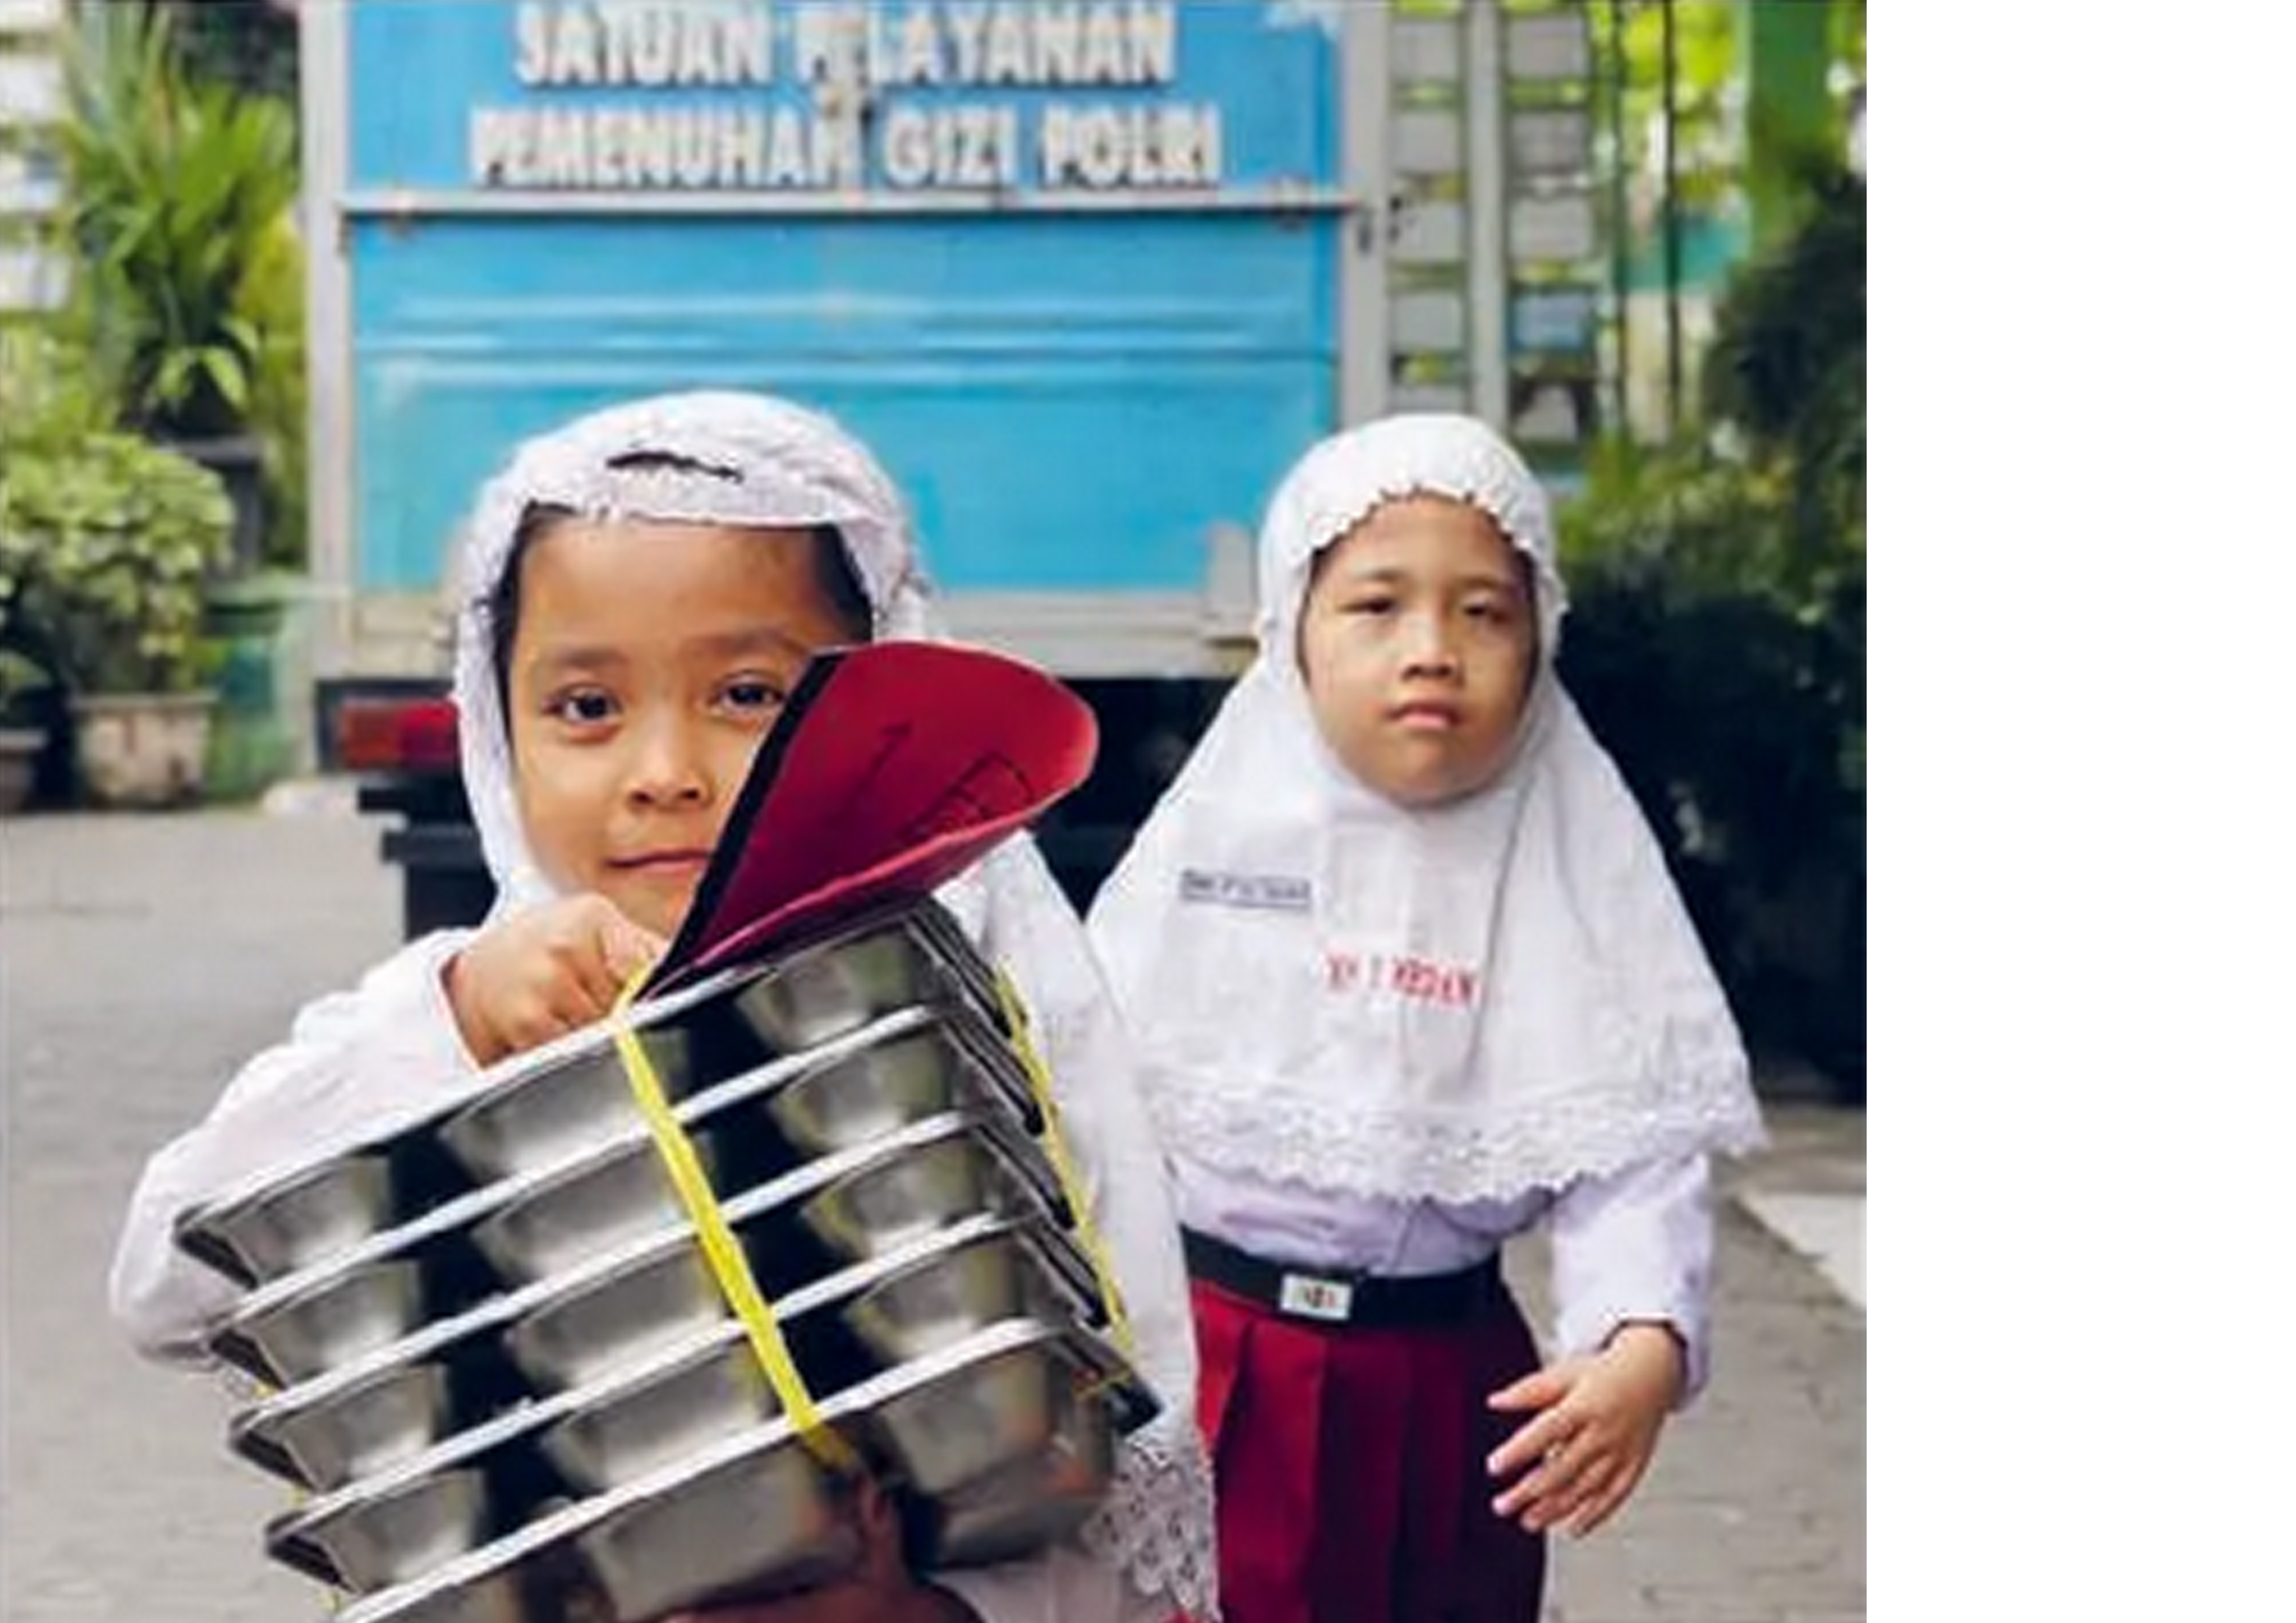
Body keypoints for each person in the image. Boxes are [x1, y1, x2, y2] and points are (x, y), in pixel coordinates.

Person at [108, 391, 1218, 1623]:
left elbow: (1115, 1508)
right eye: (586, 708)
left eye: (747, 694)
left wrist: (915, 1613)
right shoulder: (453, 1013)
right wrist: (456, 1019)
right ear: (497, 727)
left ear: (878, 705)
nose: (665, 775)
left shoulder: (968, 1050)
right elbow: (169, 1281)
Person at [1084, 412, 1766, 1623]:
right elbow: (1073, 1114)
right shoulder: (1209, 856)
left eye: (1484, 612)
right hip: (1209, 1368)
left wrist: (1639, 1342)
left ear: (1541, 636)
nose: (1433, 650)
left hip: (1454, 1392)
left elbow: (1636, 1148)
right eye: (1378, 606)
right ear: (1291, 633)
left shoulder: (1571, 864)